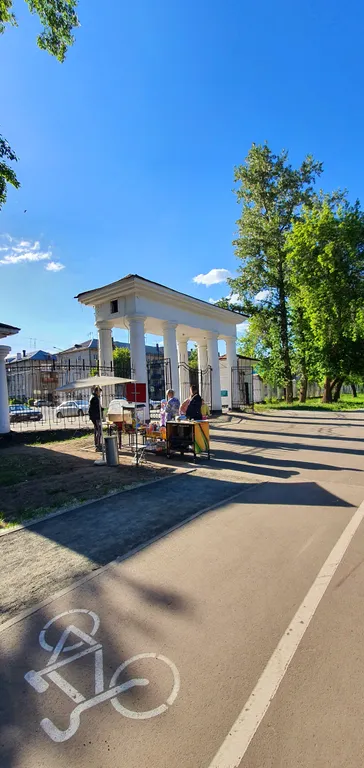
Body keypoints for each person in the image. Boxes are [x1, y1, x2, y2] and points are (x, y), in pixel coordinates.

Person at [89, 386, 102, 451]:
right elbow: (97, 408)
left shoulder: (93, 397)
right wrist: (102, 409)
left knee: (96, 430)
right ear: (97, 391)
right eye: (99, 392)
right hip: (95, 416)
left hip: (94, 416)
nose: (100, 393)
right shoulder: (95, 398)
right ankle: (98, 445)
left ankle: (97, 444)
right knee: (99, 431)